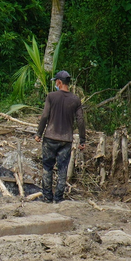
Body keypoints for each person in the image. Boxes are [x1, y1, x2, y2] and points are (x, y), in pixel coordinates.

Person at [35, 71, 87, 202]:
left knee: (47, 167)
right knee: (62, 169)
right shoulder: (75, 99)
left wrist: (38, 134)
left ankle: (47, 198)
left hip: (50, 138)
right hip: (66, 139)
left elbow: (45, 116)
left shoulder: (51, 96)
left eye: (55, 82)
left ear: (59, 82)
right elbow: (80, 120)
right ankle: (58, 199)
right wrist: (82, 140)